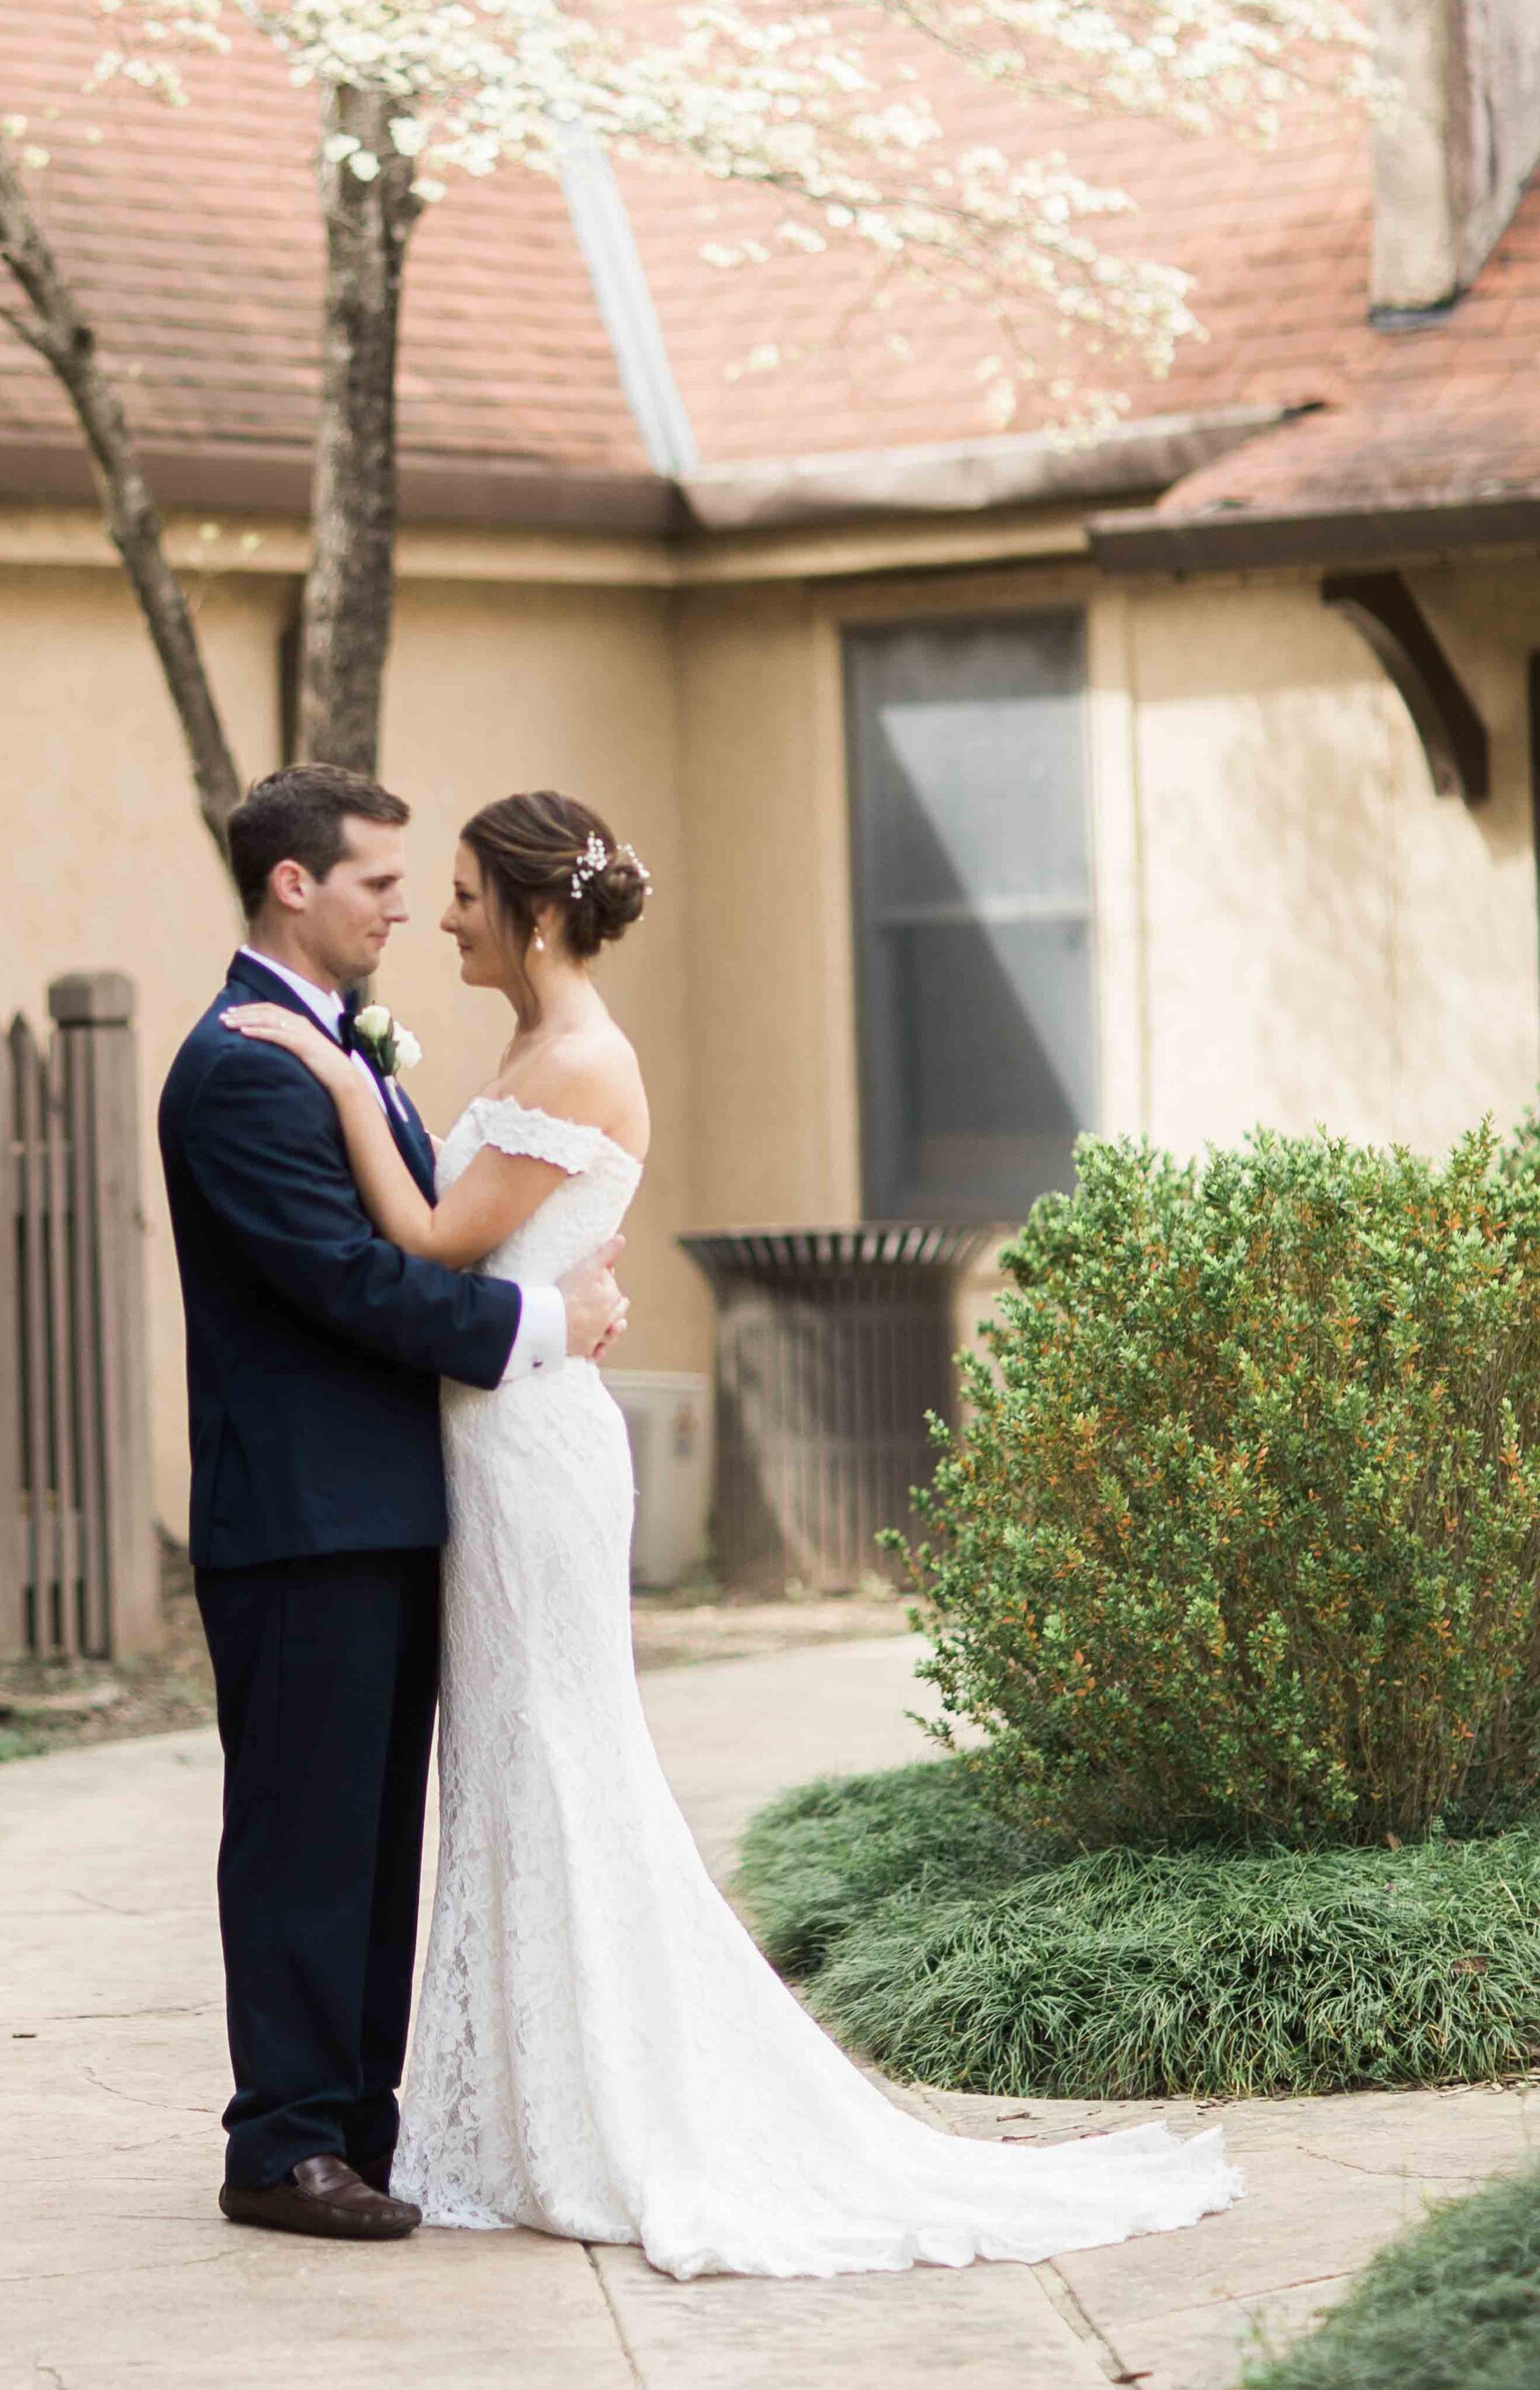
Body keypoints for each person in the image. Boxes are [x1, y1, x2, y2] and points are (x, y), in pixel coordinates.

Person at [224, 787, 1241, 2280]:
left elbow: (433, 1243)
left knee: (562, 1761)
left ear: (534, 907)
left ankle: (618, 2110)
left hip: (531, 1454)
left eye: (458, 893)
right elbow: (469, 1244)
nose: (437, 917)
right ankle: (521, 2108)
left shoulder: (577, 1059)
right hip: (492, 1436)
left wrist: (327, 1070)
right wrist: (548, 1293)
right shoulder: (526, 1047)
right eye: (414, 887)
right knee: (506, 1773)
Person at [156, 764, 629, 2244]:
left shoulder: (328, 1044)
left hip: (391, 1504)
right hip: (297, 1515)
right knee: (301, 1837)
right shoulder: (241, 1065)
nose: (406, 907)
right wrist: (546, 1322)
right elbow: (358, 1284)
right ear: (293, 883)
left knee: (367, 1844)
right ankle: (281, 2141)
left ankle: (356, 2131)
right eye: (376, 880)